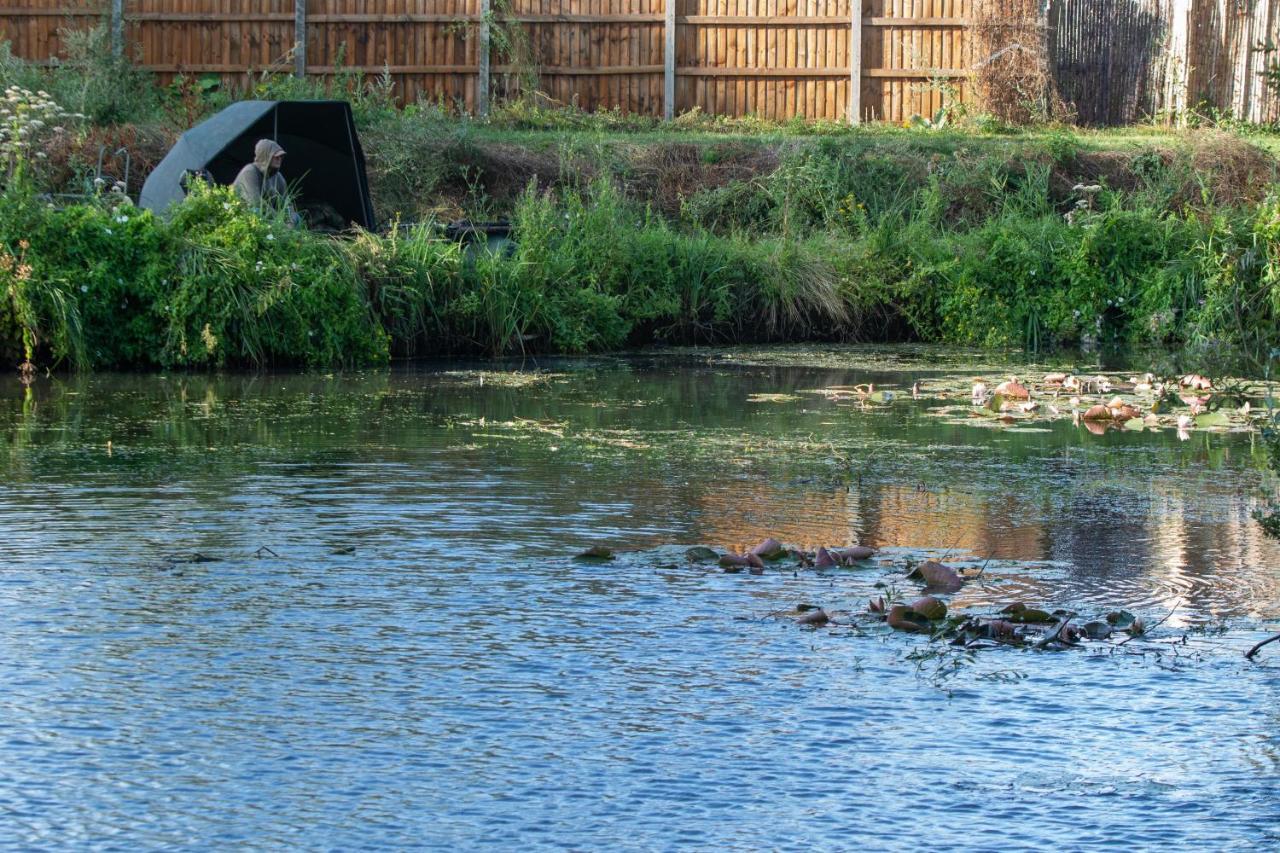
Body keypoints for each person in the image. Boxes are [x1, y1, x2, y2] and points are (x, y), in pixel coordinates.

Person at [232, 139, 297, 223]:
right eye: (276, 156)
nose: (279, 159)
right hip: (243, 216)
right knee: (256, 211)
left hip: (271, 217)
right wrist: (279, 221)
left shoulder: (278, 177)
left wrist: (290, 221)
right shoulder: (250, 172)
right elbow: (255, 202)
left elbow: (287, 204)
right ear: (265, 156)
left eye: (281, 156)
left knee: (297, 218)